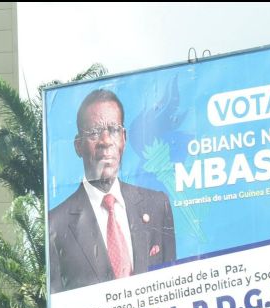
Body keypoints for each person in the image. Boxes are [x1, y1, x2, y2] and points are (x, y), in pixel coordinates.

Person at [49, 89, 176, 293]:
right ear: (78, 145)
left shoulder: (157, 206)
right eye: (94, 133)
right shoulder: (55, 225)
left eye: (114, 130)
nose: (105, 141)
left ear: (124, 139)